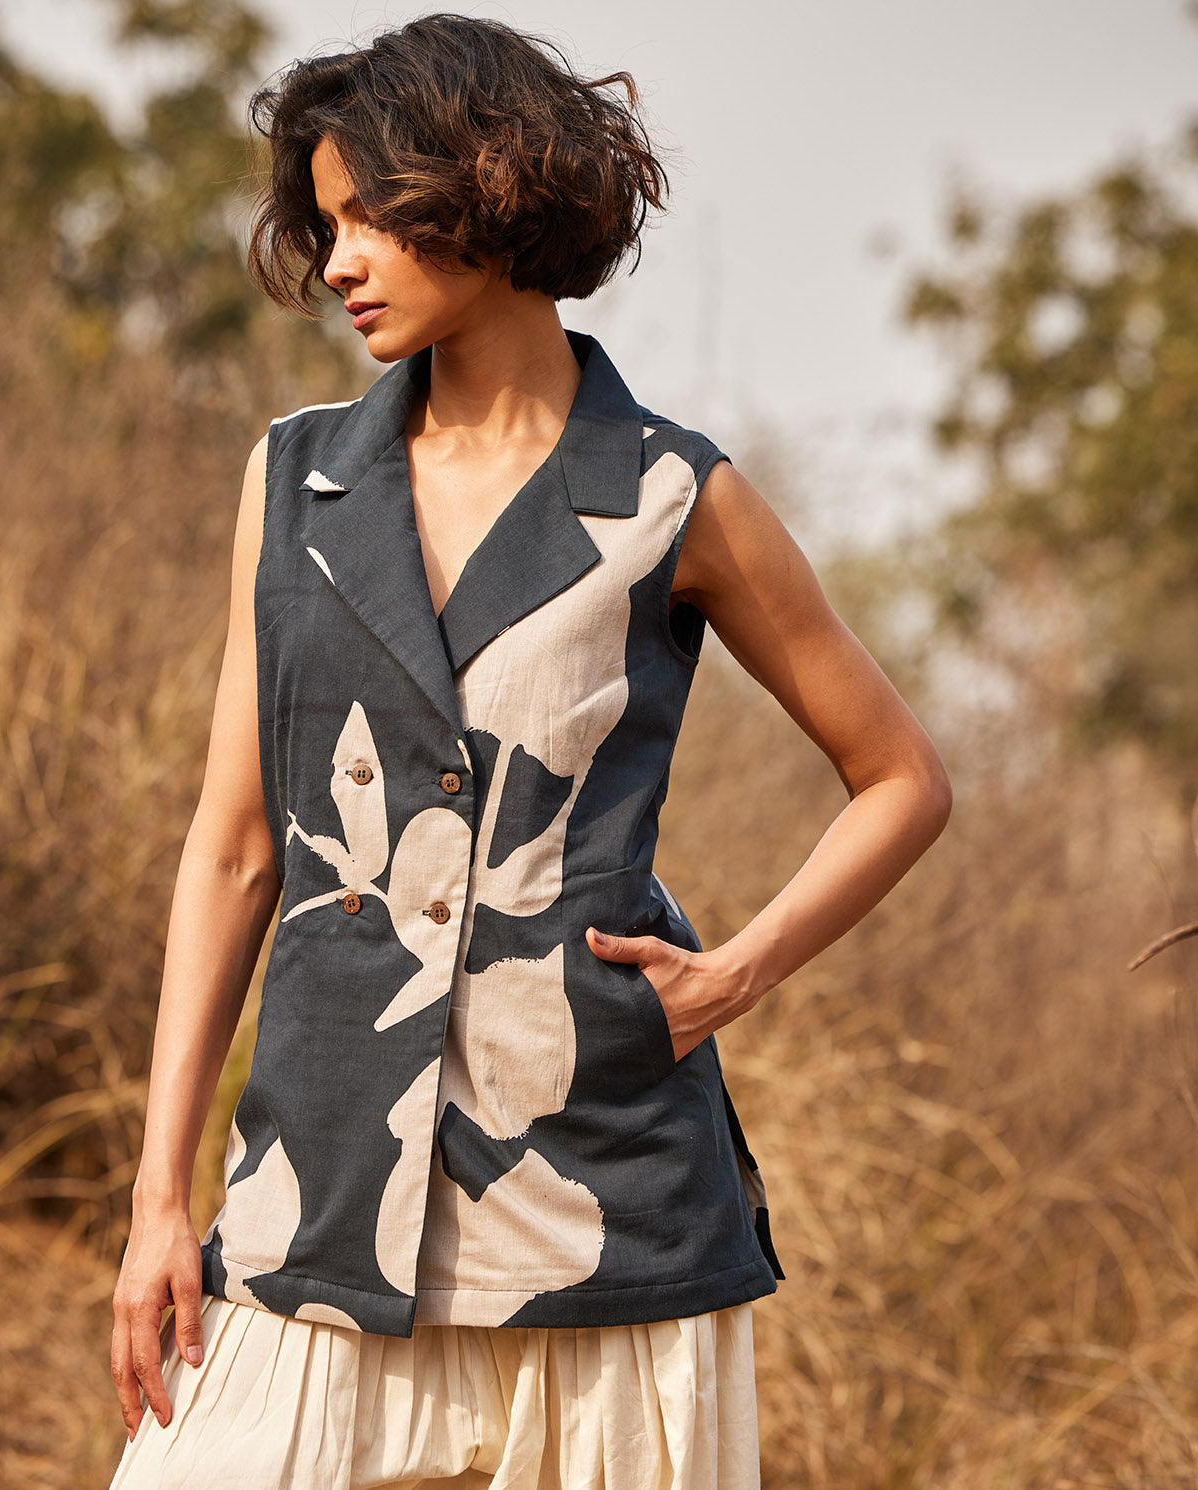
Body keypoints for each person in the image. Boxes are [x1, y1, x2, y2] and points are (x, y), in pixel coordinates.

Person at [106, 13, 951, 1489]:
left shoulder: (675, 497)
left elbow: (903, 780)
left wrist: (736, 974)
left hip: (602, 1206)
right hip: (316, 1190)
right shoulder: (295, 483)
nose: (339, 261)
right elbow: (236, 848)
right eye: (325, 225)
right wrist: (156, 1198)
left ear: (486, 186)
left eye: (371, 216)